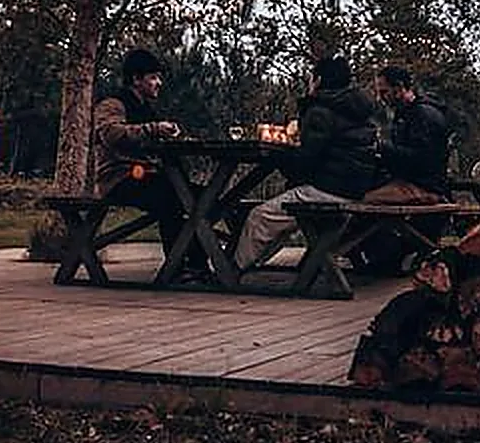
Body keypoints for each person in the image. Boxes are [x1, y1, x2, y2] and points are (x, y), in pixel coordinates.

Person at [233, 56, 379, 271]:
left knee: (259, 216)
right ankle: (252, 262)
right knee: (281, 211)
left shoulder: (321, 111)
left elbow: (304, 162)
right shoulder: (358, 110)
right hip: (354, 188)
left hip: (327, 189)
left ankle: (232, 270)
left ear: (318, 80)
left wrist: (275, 154)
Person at [91, 48, 207, 279]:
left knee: (203, 197)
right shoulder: (113, 104)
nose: (159, 83)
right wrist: (155, 129)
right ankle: (182, 266)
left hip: (144, 176)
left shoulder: (145, 108)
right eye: (153, 77)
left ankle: (195, 263)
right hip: (120, 178)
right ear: (136, 79)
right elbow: (111, 134)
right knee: (175, 199)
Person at [370, 65, 452, 201]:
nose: (380, 98)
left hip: (425, 187)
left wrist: (382, 148)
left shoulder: (424, 116)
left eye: (384, 92)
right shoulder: (405, 114)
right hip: (412, 183)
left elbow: (423, 160)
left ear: (398, 87)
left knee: (365, 199)